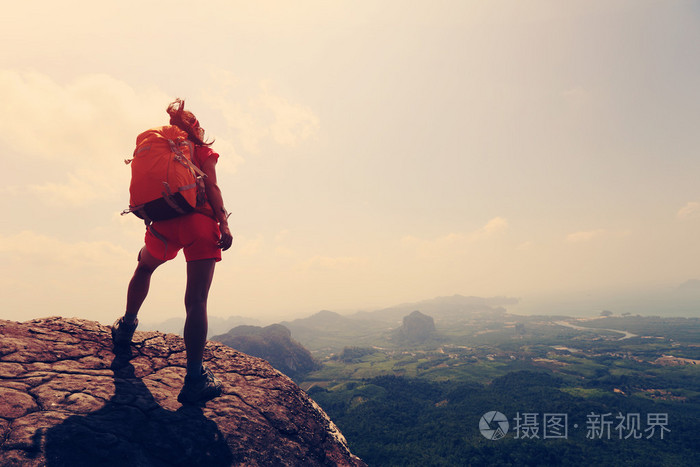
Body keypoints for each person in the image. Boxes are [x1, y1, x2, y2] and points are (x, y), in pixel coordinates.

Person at [111, 99, 233, 404]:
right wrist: (224, 223)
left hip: (164, 225)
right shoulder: (201, 151)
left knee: (144, 267)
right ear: (194, 129)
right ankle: (194, 378)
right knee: (196, 301)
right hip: (200, 226)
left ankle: (126, 326)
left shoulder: (161, 146)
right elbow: (213, 187)